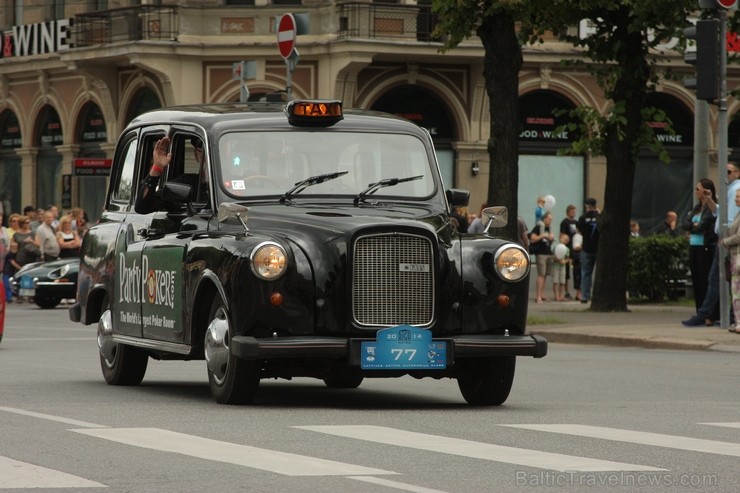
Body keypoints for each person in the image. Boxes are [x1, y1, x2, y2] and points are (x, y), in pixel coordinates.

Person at [135, 136, 206, 214]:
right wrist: (157, 168)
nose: (207, 157)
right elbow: (142, 207)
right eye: (204, 152)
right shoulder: (187, 182)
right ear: (196, 154)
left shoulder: (222, 188)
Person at [680, 179, 718, 323]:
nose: (696, 191)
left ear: (706, 190)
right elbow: (685, 223)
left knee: (705, 281)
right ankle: (700, 312)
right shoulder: (697, 208)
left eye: (698, 188)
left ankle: (710, 315)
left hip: (705, 247)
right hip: (694, 246)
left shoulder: (711, 208)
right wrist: (692, 225)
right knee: (696, 280)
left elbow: (701, 226)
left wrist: (693, 226)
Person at [721, 188, 740, 333]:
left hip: (738, 255)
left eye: (738, 197)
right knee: (735, 290)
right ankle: (737, 321)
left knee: (737, 289)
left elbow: (738, 237)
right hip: (734, 255)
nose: (736, 199)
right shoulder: (738, 214)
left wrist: (725, 241)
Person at [577, 197, 600, 304]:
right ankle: (598, 295)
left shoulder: (582, 218)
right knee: (599, 273)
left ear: (587, 206)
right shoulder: (600, 217)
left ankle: (585, 296)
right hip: (598, 248)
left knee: (586, 273)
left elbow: (579, 230)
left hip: (586, 248)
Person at [530, 211, 554, 303]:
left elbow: (548, 240)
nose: (550, 221)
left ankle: (542, 294)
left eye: (551, 219)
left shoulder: (549, 228)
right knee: (541, 275)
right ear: (544, 219)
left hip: (548, 252)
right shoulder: (538, 227)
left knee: (545, 275)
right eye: (549, 219)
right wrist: (543, 235)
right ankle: (538, 296)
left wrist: (551, 238)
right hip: (541, 253)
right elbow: (532, 239)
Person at [560, 204, 580, 300]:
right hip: (567, 248)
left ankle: (578, 292)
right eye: (572, 212)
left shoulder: (577, 222)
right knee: (566, 271)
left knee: (577, 270)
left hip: (575, 248)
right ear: (568, 212)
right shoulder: (564, 222)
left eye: (575, 212)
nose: (574, 213)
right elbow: (562, 235)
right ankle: (566, 291)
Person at [551, 232, 570, 302]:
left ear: (567, 241)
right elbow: (552, 255)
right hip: (555, 265)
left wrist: (564, 261)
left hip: (563, 266)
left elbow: (568, 258)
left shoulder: (567, 249)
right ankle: (556, 296)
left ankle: (561, 295)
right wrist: (556, 259)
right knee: (555, 281)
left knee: (562, 281)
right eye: (562, 238)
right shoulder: (556, 247)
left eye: (565, 239)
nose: (562, 240)